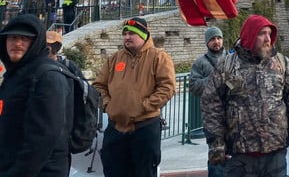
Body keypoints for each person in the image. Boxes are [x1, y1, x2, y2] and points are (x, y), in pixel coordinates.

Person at [201, 14, 289, 177]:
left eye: (269, 34)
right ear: (250, 36)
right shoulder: (228, 66)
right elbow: (211, 105)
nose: (267, 39)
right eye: (262, 33)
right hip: (240, 155)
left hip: (275, 153)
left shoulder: (281, 64)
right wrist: (216, 143)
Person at [93, 17, 176, 177]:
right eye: (124, 34)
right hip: (115, 129)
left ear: (143, 35)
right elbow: (98, 86)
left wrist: (143, 106)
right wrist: (109, 105)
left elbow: (167, 87)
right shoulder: (114, 59)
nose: (127, 37)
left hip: (144, 129)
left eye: (131, 33)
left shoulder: (159, 57)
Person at [0, 13, 74, 176]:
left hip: (39, 171)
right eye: (12, 38)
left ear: (36, 43)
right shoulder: (16, 75)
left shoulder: (47, 76)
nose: (17, 43)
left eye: (24, 39)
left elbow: (44, 138)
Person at [190, 26, 226, 177]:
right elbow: (194, 87)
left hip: (234, 117)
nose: (216, 42)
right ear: (207, 42)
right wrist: (214, 78)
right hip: (212, 119)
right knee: (216, 157)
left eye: (218, 38)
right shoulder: (200, 63)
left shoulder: (233, 59)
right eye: (212, 39)